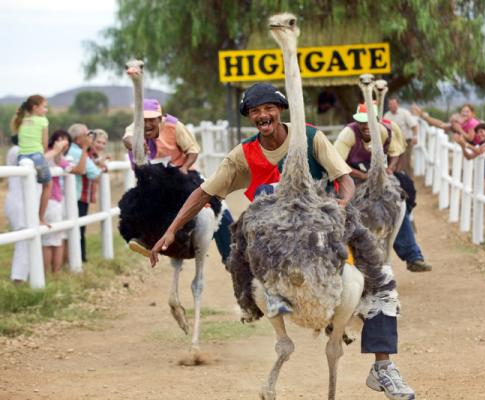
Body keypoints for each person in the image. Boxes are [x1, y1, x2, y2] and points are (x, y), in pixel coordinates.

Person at [151, 83, 415, 400]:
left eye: (267, 109)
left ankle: (383, 368)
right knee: (244, 246)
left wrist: (341, 206)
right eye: (255, 111)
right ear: (250, 117)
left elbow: (343, 178)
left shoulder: (311, 137)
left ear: (279, 110)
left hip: (323, 226)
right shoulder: (244, 155)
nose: (262, 115)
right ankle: (253, 305)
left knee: (381, 278)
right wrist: (171, 228)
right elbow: (204, 192)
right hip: (275, 240)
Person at [122, 98, 233, 263]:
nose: (147, 124)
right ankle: (144, 239)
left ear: (160, 118)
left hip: (181, 176)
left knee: (218, 205)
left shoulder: (174, 126)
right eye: (144, 120)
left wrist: (185, 167)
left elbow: (193, 150)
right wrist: (136, 144)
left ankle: (230, 255)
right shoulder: (136, 127)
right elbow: (127, 138)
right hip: (156, 182)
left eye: (152, 119)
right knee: (135, 205)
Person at [334, 103, 432, 273]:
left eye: (369, 122)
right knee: (342, 208)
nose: (365, 126)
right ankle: (338, 258)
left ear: (377, 120)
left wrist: (390, 168)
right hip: (353, 177)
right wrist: (363, 176)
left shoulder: (388, 130)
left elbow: (396, 152)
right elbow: (337, 162)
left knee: (398, 201)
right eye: (361, 122)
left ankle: (412, 255)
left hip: (381, 175)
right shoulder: (349, 133)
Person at [10, 95, 52, 226]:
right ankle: (40, 217)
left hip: (22, 157)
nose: (46, 110)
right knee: (47, 185)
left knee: (29, 185)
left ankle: (29, 216)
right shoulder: (43, 120)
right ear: (35, 107)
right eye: (44, 107)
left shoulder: (22, 119)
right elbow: (45, 143)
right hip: (37, 156)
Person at [66, 124, 102, 262]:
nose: (90, 137)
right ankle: (79, 259)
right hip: (77, 196)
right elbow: (95, 175)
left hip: (68, 196)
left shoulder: (69, 150)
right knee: (79, 230)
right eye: (87, 135)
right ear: (78, 138)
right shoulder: (78, 152)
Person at [42, 130, 72, 273]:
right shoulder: (47, 154)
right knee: (49, 240)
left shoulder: (59, 157)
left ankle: (55, 272)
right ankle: (48, 272)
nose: (62, 142)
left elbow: (66, 166)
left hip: (55, 200)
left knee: (56, 238)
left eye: (65, 140)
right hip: (49, 201)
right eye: (59, 139)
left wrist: (59, 151)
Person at [5, 135, 29, 284]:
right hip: (19, 202)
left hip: (21, 201)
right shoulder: (18, 151)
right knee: (23, 239)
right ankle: (18, 278)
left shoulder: (17, 150)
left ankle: (23, 275)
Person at [384, 97, 419, 175]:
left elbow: (414, 126)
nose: (392, 106)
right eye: (390, 104)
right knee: (392, 163)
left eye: (393, 104)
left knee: (405, 163)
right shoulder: (386, 115)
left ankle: (408, 181)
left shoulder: (405, 113)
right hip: (392, 143)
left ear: (397, 104)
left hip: (405, 141)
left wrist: (415, 136)